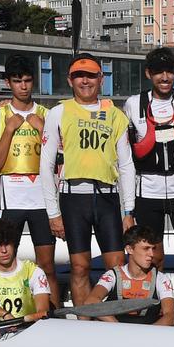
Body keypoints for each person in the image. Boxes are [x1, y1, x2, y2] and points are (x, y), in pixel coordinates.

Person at [41, 52, 135, 305]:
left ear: (101, 79)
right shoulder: (58, 112)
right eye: (78, 76)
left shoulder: (114, 113)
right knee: (80, 267)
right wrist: (53, 213)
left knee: (116, 266)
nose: (85, 81)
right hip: (73, 198)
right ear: (70, 80)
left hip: (107, 197)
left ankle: (113, 320)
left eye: (91, 76)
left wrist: (129, 210)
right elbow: (46, 164)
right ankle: (84, 322)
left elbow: (126, 164)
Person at [0, 53, 56, 286]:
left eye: (27, 80)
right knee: (4, 264)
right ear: (8, 83)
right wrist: (9, 131)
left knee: (47, 267)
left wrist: (43, 129)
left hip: (42, 200)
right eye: (17, 81)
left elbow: (62, 157)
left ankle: (50, 317)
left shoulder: (48, 115)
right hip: (11, 199)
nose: (23, 86)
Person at [122, 47, 174, 252]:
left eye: (170, 71)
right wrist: (127, 210)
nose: (165, 77)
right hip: (147, 191)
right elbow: (124, 156)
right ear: (148, 73)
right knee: (153, 255)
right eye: (158, 72)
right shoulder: (133, 103)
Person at [87, 224, 174, 325]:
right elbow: (91, 301)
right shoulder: (112, 275)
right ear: (129, 249)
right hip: (114, 334)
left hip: (147, 335)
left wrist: (143, 336)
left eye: (153, 249)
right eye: (146, 248)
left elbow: (170, 317)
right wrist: (117, 325)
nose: (151, 254)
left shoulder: (161, 279)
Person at [0, 217, 52, 322]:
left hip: (26, 328)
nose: (4, 250)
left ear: (14, 244)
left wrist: (18, 322)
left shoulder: (34, 271)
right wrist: (4, 314)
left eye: (7, 244)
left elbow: (42, 311)